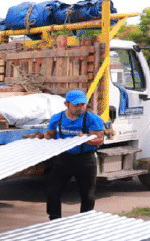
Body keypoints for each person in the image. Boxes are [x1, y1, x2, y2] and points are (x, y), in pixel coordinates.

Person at [42, 90, 105, 220]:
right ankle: (54, 219)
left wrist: (86, 139)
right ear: (66, 104)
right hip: (63, 159)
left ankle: (85, 220)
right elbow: (50, 135)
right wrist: (45, 138)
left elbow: (99, 140)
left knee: (87, 194)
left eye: (83, 105)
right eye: (76, 105)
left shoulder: (92, 119)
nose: (80, 108)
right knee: (53, 191)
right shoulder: (57, 118)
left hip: (85, 159)